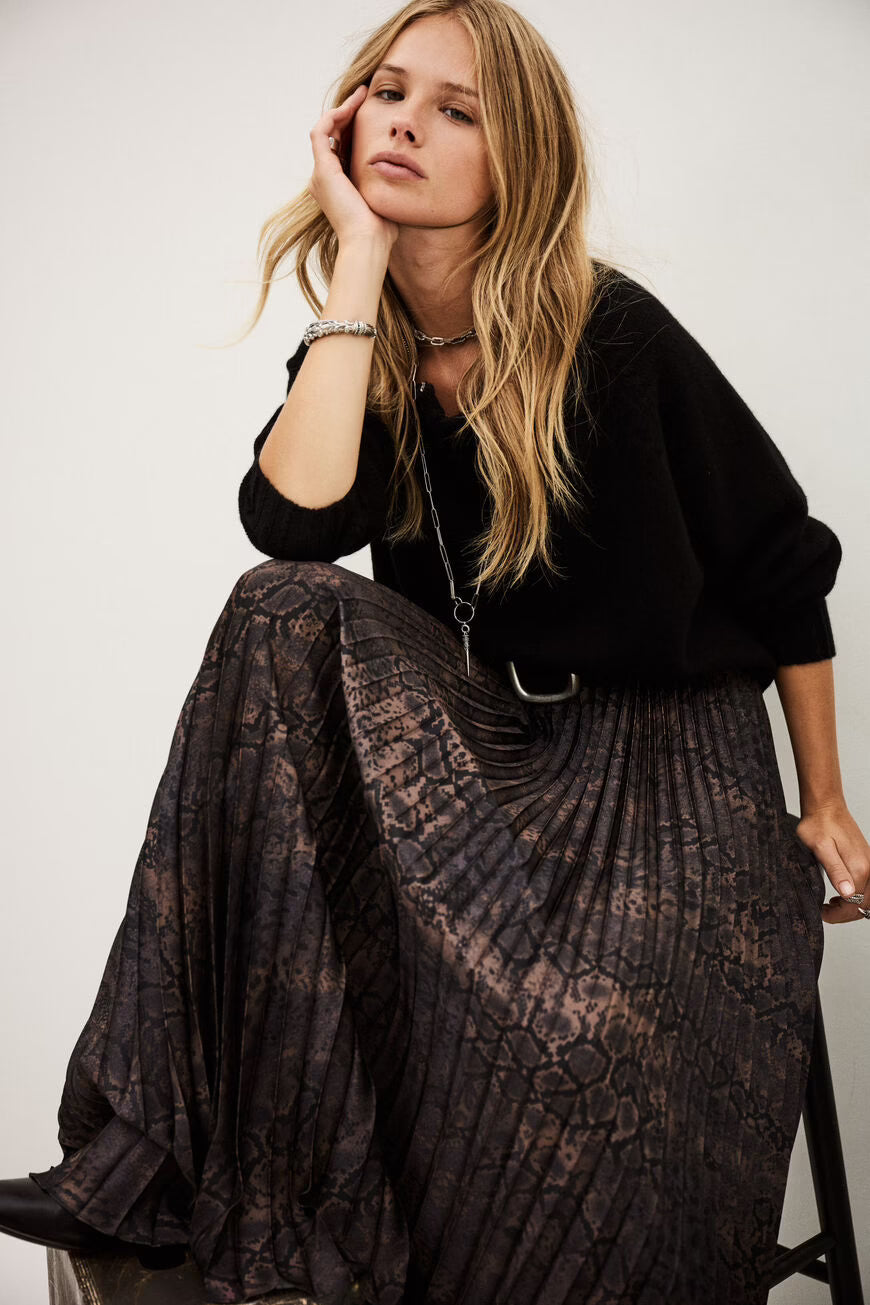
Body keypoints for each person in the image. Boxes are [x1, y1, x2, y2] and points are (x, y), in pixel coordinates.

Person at [1, 2, 866, 1303]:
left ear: (520, 159)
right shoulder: (360, 354)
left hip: (663, 771)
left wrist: (827, 800)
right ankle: (145, 1170)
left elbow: (783, 562)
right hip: (479, 757)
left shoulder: (611, 331)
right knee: (281, 608)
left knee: (577, 1056)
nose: (406, 123)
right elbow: (294, 527)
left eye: (457, 109)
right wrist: (358, 262)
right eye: (389, 92)